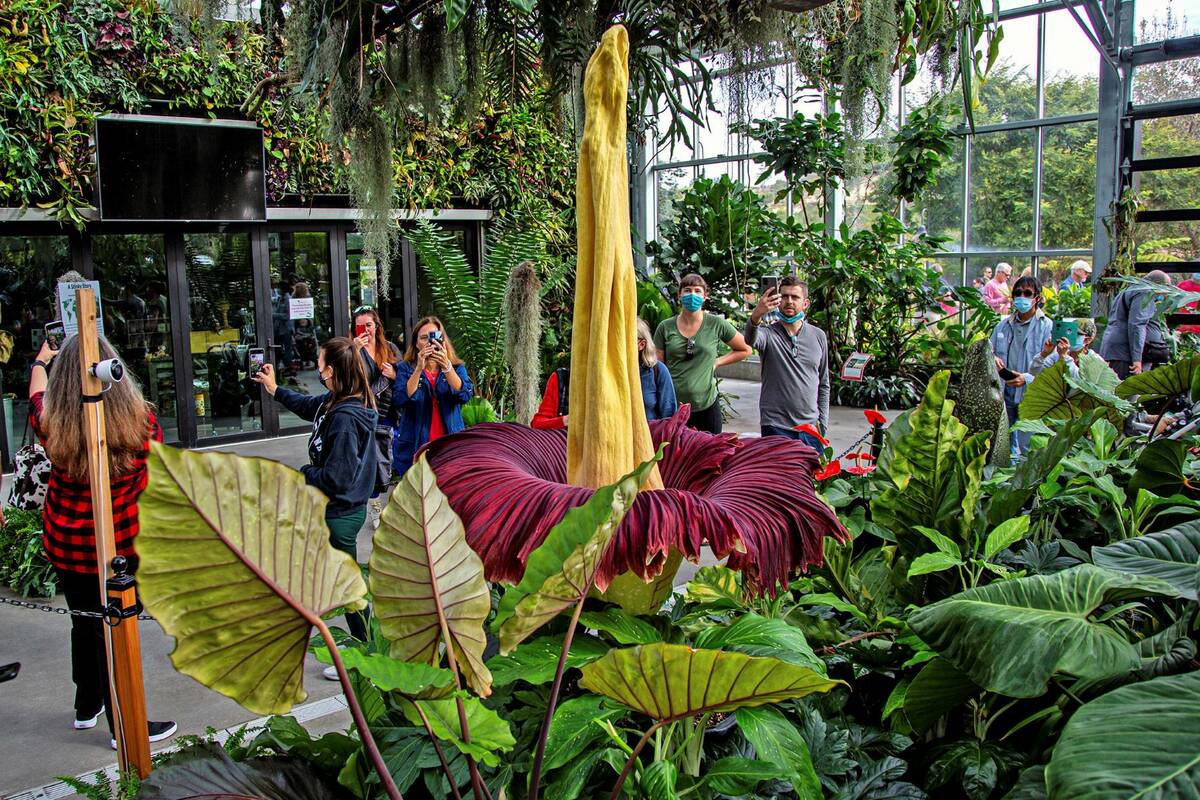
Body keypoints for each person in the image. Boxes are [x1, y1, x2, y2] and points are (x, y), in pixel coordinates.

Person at [28, 334, 176, 746]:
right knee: (116, 631)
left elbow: (37, 395)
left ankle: (87, 704)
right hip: (122, 546)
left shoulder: (51, 422)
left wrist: (40, 363)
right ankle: (124, 725)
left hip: (69, 546)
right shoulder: (142, 424)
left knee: (84, 622)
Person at [254, 337, 377, 655]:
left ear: (330, 371)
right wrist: (274, 388)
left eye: (320, 363)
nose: (317, 367)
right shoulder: (334, 401)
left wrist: (305, 473)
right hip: (334, 510)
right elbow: (309, 407)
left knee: (348, 590)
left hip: (340, 514)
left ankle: (366, 653)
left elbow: (337, 479)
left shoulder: (345, 419)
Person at [531, 319, 678, 429]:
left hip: (646, 451)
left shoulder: (657, 372)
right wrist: (570, 420)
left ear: (641, 345)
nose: (614, 344)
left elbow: (670, 422)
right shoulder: (568, 377)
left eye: (622, 339)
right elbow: (538, 423)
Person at [653, 274, 752, 434]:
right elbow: (658, 367)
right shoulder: (665, 327)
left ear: (705, 296)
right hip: (674, 406)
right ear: (679, 295)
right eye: (687, 290)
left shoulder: (716, 324)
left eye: (697, 291)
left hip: (707, 405)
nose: (692, 295)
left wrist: (718, 362)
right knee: (677, 449)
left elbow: (745, 349)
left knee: (711, 448)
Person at [745, 277, 830, 450]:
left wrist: (822, 424)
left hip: (811, 428)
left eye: (795, 297)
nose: (789, 301)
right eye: (784, 296)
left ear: (805, 303)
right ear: (778, 300)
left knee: (813, 469)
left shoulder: (818, 336)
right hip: (776, 426)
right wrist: (757, 314)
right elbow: (750, 339)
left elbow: (824, 383)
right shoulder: (767, 334)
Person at [392, 317, 473, 476]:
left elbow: (465, 395)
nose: (430, 342)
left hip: (448, 446)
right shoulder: (405, 368)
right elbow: (400, 399)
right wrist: (418, 369)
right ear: (416, 344)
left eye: (435, 336)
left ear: (443, 340)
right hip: (415, 445)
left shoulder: (456, 367)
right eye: (424, 338)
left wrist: (447, 367)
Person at [990, 274, 1055, 457]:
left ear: (1037, 298)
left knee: (1029, 447)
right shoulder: (1003, 326)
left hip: (1031, 394)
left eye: (1027, 293)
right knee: (1003, 445)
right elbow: (989, 350)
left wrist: (1026, 378)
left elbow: (1052, 365)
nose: (1022, 297)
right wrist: (993, 357)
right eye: (1018, 293)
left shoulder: (1047, 327)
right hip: (1005, 393)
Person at [352, 307, 400, 489]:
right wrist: (354, 351)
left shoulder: (389, 348)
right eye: (359, 326)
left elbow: (405, 378)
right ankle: (373, 496)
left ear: (377, 326)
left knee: (389, 454)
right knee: (370, 458)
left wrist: (393, 375)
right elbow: (348, 381)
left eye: (369, 325)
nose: (365, 330)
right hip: (365, 412)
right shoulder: (350, 350)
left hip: (389, 410)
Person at [1099, 270, 1174, 379]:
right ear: (1158, 284)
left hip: (1120, 351)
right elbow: (1137, 324)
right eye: (1166, 288)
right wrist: (1137, 359)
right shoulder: (1144, 292)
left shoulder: (1131, 289)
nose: (1165, 294)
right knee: (1123, 388)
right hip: (1124, 354)